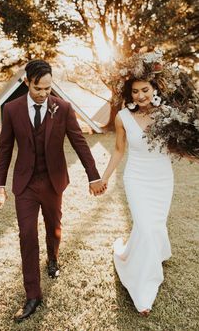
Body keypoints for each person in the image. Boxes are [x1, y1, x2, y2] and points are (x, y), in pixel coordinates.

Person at [0, 59, 105, 322]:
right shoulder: (11, 109)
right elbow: (5, 148)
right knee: (27, 235)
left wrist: (93, 176)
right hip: (26, 185)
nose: (44, 94)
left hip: (54, 181)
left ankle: (53, 259)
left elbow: (79, 142)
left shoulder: (62, 108)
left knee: (54, 226)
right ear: (26, 83)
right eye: (38, 88)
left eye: (48, 88)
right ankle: (33, 294)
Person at [102, 51, 179, 315]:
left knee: (154, 225)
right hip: (136, 178)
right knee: (145, 227)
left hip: (162, 178)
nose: (140, 96)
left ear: (154, 87)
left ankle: (139, 254)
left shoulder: (168, 114)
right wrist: (105, 176)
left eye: (144, 89)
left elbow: (177, 148)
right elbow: (119, 151)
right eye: (134, 91)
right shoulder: (122, 117)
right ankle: (143, 292)